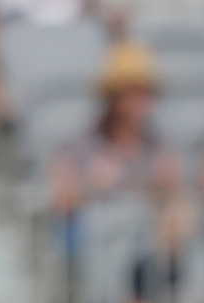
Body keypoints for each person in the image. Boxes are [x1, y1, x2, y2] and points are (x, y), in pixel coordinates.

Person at [50, 42, 180, 214]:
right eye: (132, 92)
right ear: (112, 98)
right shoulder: (81, 147)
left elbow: (180, 208)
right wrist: (89, 185)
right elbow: (58, 201)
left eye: (146, 92)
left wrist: (168, 194)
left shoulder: (159, 149)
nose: (140, 102)